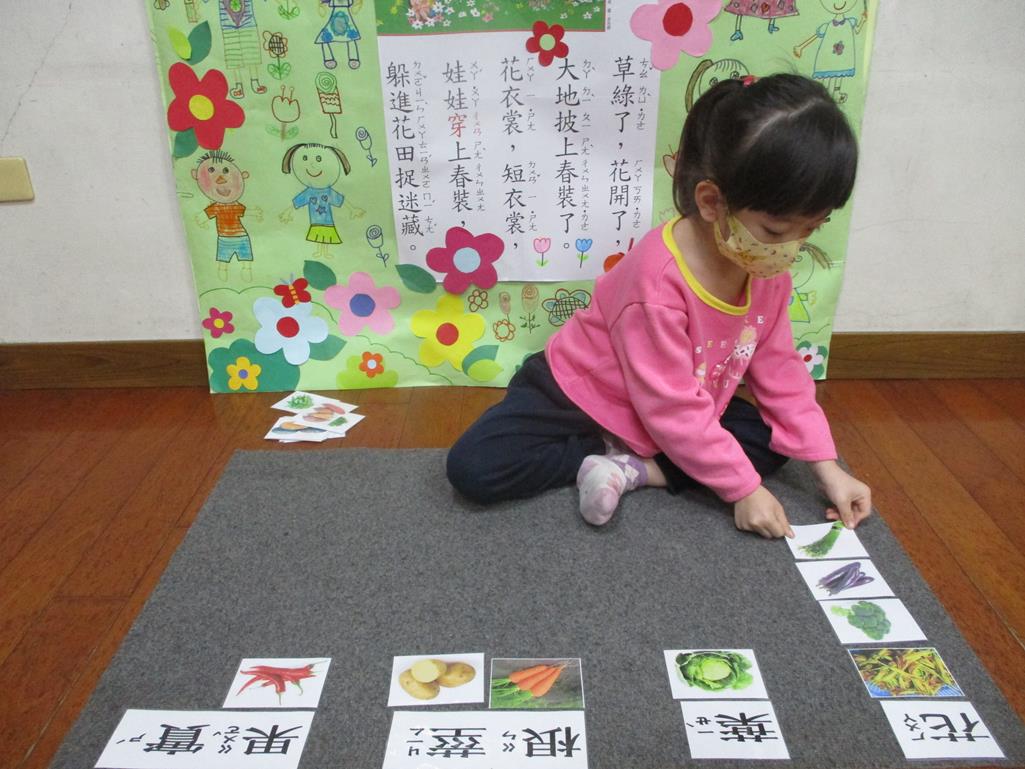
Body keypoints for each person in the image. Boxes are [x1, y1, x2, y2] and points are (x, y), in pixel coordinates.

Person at [446, 73, 872, 539]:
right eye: (775, 231)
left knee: (771, 440)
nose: (790, 248)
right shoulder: (657, 279)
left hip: (681, 403)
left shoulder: (767, 270)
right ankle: (598, 452)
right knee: (475, 467)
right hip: (585, 393)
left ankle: (632, 468)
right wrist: (742, 489)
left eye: (811, 228)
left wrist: (826, 467)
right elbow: (669, 405)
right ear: (711, 201)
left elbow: (780, 372)